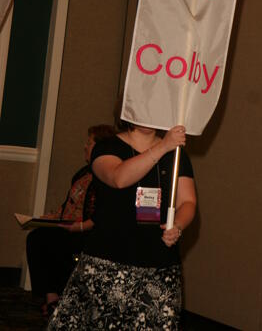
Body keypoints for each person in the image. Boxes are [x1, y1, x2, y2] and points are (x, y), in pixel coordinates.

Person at [48, 121, 197, 330]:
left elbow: (188, 202)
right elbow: (119, 178)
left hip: (158, 268)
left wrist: (178, 225)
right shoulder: (106, 147)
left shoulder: (177, 154)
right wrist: (163, 146)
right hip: (107, 266)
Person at [26, 123, 115, 318]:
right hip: (70, 227)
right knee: (37, 237)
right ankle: (52, 299)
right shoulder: (83, 173)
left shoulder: (106, 176)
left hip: (90, 233)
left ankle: (66, 302)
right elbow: (68, 205)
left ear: (101, 148)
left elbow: (103, 215)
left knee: (51, 242)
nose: (85, 146)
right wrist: (46, 218)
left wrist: (79, 227)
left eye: (89, 143)